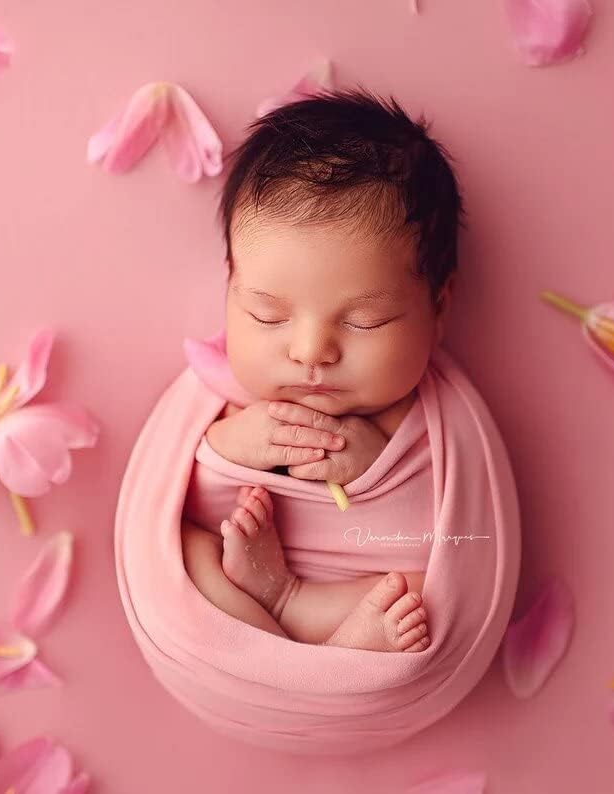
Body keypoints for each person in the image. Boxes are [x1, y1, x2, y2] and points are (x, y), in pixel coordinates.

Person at [181, 86, 464, 652]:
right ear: (229, 287)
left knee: (428, 593)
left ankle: (295, 612)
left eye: (365, 321)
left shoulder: (433, 415)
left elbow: (458, 523)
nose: (311, 352)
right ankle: (270, 633)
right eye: (268, 315)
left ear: (438, 311)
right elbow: (185, 501)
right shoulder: (223, 394)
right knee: (185, 550)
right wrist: (228, 448)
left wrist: (374, 466)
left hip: (368, 591)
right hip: (245, 581)